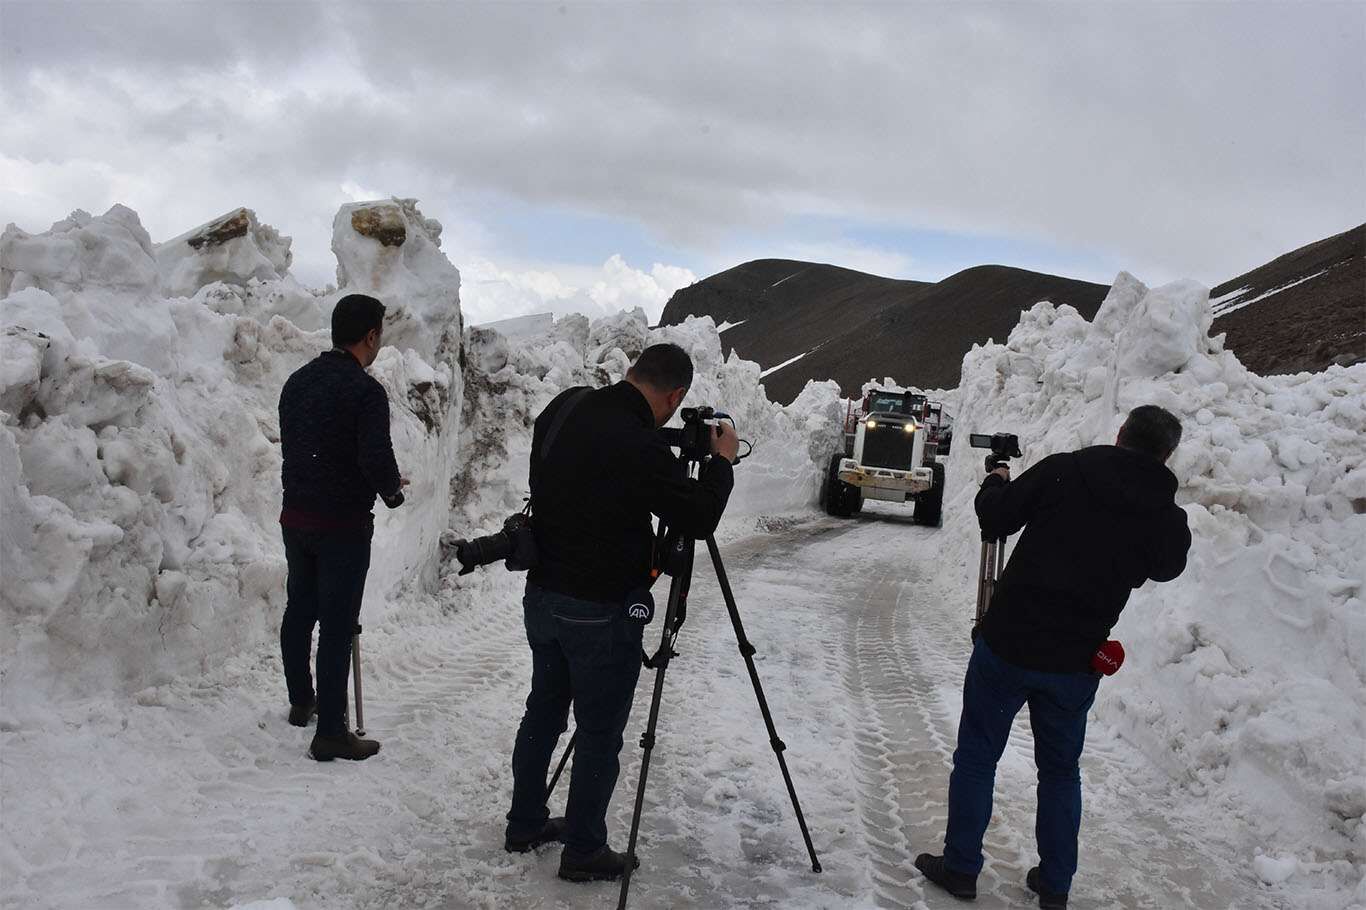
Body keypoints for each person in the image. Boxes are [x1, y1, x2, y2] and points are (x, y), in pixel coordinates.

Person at [915, 405, 1191, 909]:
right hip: (1075, 662)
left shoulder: (1067, 469)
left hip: (1009, 646)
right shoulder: (1162, 511)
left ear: (1119, 434)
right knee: (1061, 772)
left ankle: (960, 867)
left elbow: (995, 517)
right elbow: (1169, 565)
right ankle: (1055, 885)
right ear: (1166, 455)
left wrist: (995, 481)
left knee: (978, 757)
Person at [503, 343, 740, 882]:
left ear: (632, 372)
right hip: (600, 610)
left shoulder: (564, 406)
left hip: (542, 597)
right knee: (599, 732)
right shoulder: (639, 444)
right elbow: (699, 517)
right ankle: (584, 850)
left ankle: (525, 821)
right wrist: (720, 464)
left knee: (542, 711)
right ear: (676, 396)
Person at [278, 293, 407, 762]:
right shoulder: (364, 391)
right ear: (371, 335)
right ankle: (331, 731)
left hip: (296, 518)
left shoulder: (297, 382)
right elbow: (373, 455)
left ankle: (302, 699)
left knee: (300, 609)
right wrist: (392, 491)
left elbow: (304, 446)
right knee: (336, 626)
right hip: (342, 526)